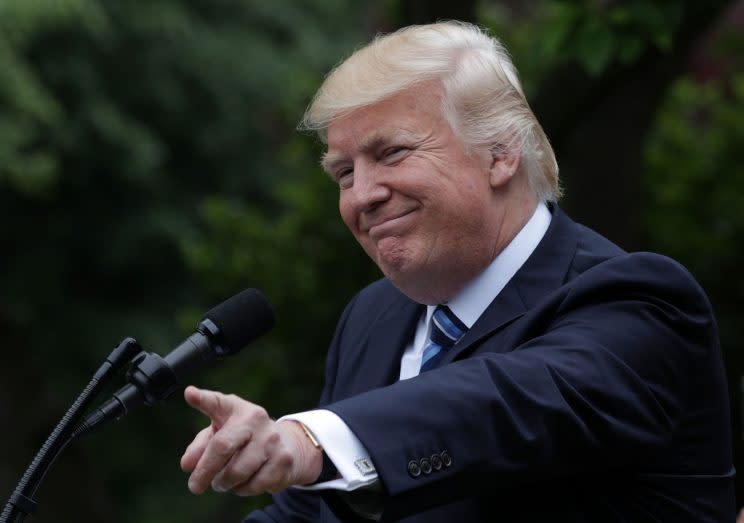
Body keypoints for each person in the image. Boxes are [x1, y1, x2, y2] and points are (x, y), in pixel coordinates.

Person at [179, 21, 735, 522]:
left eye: (393, 152)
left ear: (500, 153)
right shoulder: (371, 317)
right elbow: (307, 515)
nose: (363, 196)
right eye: (344, 172)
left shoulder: (639, 301)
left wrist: (313, 439)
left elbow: (507, 404)